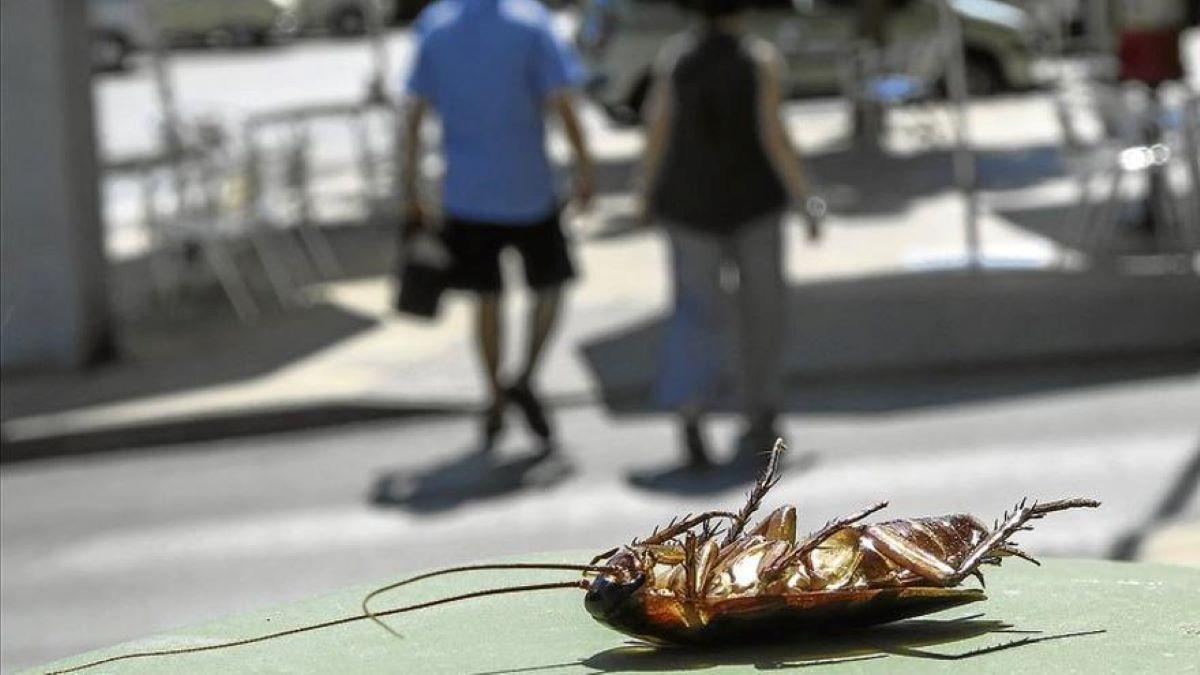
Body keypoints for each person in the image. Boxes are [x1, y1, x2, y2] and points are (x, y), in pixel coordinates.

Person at [401, 0, 594, 454]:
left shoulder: (436, 24)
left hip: (466, 191)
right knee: (551, 287)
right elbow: (563, 102)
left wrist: (411, 188)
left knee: (486, 299)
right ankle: (523, 377)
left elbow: (413, 114)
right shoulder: (531, 22)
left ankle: (493, 396)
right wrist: (585, 168)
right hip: (530, 185)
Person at [640, 0, 820, 470]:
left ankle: (691, 410)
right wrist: (806, 197)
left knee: (694, 310)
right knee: (762, 309)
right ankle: (761, 409)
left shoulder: (675, 56)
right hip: (753, 201)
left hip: (688, 203)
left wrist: (643, 192)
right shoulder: (760, 58)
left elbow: (658, 128)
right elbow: (773, 133)